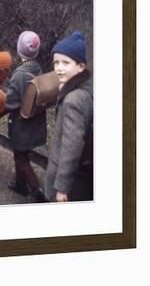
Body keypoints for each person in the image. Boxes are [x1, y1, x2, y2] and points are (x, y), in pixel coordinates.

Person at [45, 31, 93, 202]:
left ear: (81, 66)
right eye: (56, 62)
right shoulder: (85, 90)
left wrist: (62, 188)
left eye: (66, 63)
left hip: (68, 183)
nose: (59, 68)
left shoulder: (73, 99)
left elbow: (71, 146)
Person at [5, 31, 47, 202]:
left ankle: (37, 191)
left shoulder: (19, 74)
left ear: (19, 50)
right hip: (34, 121)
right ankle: (19, 184)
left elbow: (11, 103)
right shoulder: (38, 68)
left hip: (21, 124)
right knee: (21, 154)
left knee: (21, 158)